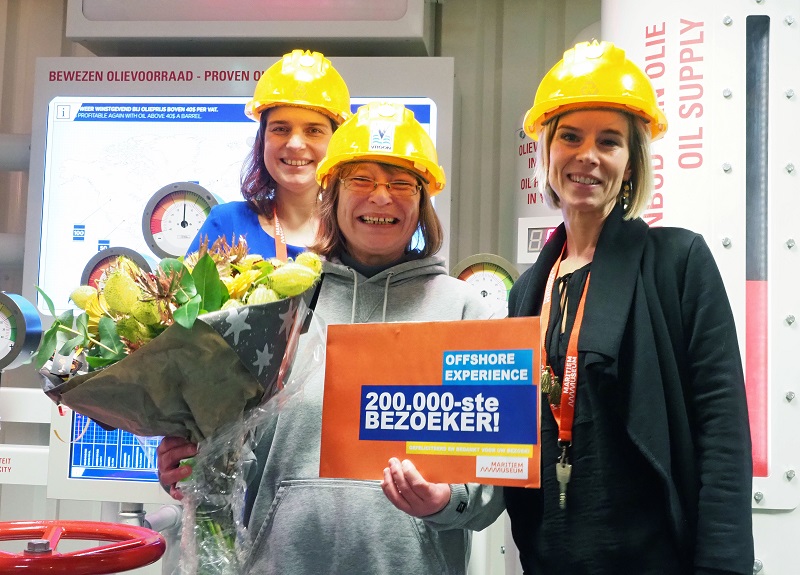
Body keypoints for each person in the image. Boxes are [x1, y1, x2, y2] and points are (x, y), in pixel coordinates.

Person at [159, 101, 505, 574]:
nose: (380, 198)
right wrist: (191, 460)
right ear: (333, 194)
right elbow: (228, 444)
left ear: (423, 203)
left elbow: (494, 481)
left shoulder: (466, 313)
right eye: (361, 180)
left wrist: (448, 499)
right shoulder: (276, 303)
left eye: (401, 183)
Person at [503, 41, 754, 575]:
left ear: (632, 163)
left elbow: (723, 429)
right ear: (547, 151)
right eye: (570, 136)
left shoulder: (678, 262)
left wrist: (723, 564)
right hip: (549, 560)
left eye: (609, 141)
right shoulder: (527, 291)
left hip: (655, 560)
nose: (587, 155)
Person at [185, 49, 351, 261]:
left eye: (313, 130)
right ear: (262, 140)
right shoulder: (226, 225)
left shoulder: (355, 233)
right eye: (280, 129)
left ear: (335, 143)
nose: (295, 144)